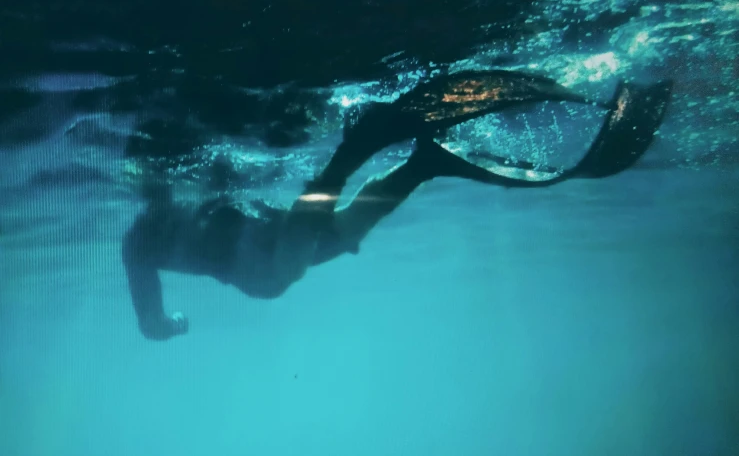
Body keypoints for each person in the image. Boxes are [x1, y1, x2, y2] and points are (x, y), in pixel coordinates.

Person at [122, 71, 673, 341]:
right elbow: (150, 321)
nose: (156, 188)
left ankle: (404, 160)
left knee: (326, 235)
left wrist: (170, 323)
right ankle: (407, 162)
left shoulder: (153, 227)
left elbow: (151, 320)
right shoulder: (141, 240)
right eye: (150, 181)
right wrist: (171, 324)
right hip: (266, 263)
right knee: (305, 250)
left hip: (276, 236)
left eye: (151, 179)